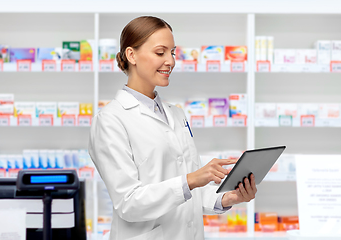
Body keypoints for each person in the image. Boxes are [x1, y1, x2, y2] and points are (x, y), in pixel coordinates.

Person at [88, 16, 257, 240]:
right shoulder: (110, 120)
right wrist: (192, 179)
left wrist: (227, 198)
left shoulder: (176, 114)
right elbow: (128, 203)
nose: (171, 61)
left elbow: (188, 193)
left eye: (173, 52)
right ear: (131, 55)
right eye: (161, 53)